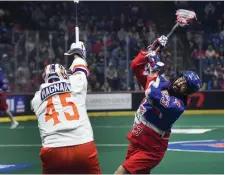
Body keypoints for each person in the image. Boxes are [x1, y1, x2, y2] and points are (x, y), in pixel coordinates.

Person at [115, 35, 202, 174]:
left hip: (151, 149)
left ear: (188, 92)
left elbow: (151, 93)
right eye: (182, 78)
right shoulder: (162, 83)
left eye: (185, 85)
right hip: (138, 141)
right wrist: (152, 48)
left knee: (120, 173)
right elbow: (136, 66)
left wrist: (154, 69)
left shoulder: (177, 106)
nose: (180, 83)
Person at [31, 41, 101, 174]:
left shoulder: (36, 98)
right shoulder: (76, 83)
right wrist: (77, 54)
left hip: (53, 149)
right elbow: (81, 69)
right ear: (65, 75)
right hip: (83, 144)